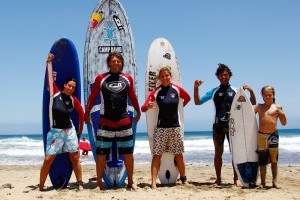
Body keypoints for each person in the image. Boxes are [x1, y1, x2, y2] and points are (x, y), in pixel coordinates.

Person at [84, 52, 141, 190]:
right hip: (105, 122)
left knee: (128, 153)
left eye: (118, 61)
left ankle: (131, 181)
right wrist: (87, 113)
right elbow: (92, 97)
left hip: (124, 121)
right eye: (113, 61)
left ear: (122, 63)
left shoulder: (127, 78)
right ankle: (99, 183)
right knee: (102, 154)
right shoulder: (101, 78)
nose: (116, 63)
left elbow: (132, 96)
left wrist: (138, 111)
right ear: (109, 63)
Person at [193, 63, 256, 186]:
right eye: (221, 75)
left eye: (226, 75)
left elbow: (252, 102)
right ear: (218, 77)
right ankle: (218, 179)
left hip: (233, 126)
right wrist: (196, 88)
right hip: (218, 126)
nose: (224, 77)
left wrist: (251, 91)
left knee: (236, 153)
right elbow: (197, 102)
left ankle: (236, 179)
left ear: (229, 76)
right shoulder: (214, 91)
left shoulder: (237, 91)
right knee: (218, 153)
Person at [39, 53, 85, 191]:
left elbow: (81, 113)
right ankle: (40, 186)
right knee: (48, 160)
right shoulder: (55, 93)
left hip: (69, 131)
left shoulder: (72, 100)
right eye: (69, 85)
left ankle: (80, 183)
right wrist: (48, 62)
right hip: (55, 132)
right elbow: (49, 79)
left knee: (75, 157)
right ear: (64, 85)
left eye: (73, 87)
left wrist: (80, 128)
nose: (71, 88)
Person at [141, 66, 191, 189]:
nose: (165, 78)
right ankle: (153, 182)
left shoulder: (176, 89)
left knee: (178, 154)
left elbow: (188, 98)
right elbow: (143, 108)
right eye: (162, 76)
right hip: (161, 127)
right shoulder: (156, 91)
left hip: (175, 126)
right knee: (157, 155)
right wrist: (148, 106)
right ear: (159, 78)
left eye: (167, 75)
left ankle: (184, 179)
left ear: (170, 76)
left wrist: (180, 108)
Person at [254, 86, 287, 189]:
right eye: (266, 95)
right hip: (261, 135)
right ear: (262, 96)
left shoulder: (278, 107)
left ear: (273, 95)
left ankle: (274, 182)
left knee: (274, 160)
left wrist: (282, 114)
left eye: (270, 95)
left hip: (273, 135)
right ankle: (263, 182)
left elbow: (284, 123)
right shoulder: (259, 106)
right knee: (262, 160)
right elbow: (248, 116)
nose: (268, 97)